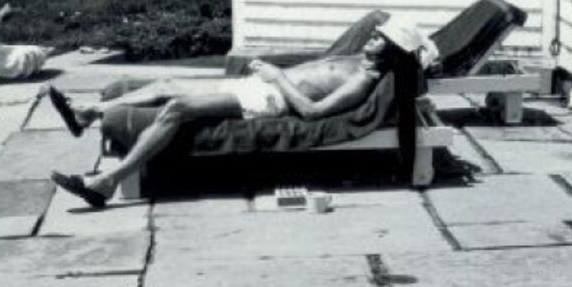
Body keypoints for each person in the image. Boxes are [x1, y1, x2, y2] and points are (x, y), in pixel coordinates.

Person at [46, 18, 433, 208]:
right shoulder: (358, 58)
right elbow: (428, 53)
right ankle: (89, 114)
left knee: (176, 108)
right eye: (376, 31)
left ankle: (108, 181)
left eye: (381, 37)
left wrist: (276, 76)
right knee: (166, 85)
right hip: (263, 86)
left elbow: (313, 112)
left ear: (394, 52)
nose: (372, 36)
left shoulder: (363, 79)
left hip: (270, 101)